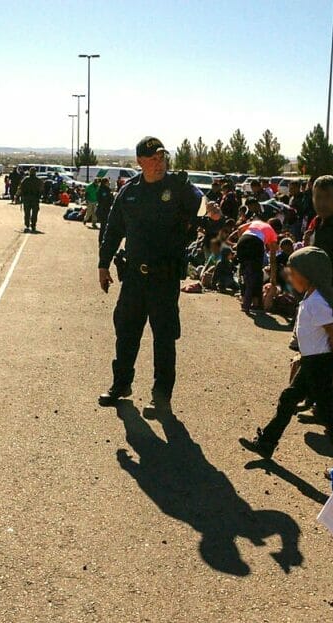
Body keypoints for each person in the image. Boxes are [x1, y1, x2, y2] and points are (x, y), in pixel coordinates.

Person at [96, 136, 202, 417]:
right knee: (126, 331)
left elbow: (202, 204)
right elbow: (113, 230)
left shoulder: (178, 189)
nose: (159, 163)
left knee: (164, 338)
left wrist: (212, 212)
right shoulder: (129, 193)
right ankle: (121, 385)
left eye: (162, 158)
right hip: (133, 278)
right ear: (140, 162)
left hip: (164, 278)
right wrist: (103, 264)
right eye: (153, 158)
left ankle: (161, 396)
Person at [246, 247, 333, 459]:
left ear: (308, 275)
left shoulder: (318, 302)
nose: (291, 278)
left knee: (329, 413)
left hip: (320, 364)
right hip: (311, 362)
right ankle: (267, 443)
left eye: (294, 274)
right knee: (289, 399)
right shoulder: (311, 297)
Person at [16, 168, 43, 233]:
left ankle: (27, 225)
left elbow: (20, 188)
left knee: (27, 213)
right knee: (34, 213)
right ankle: (33, 225)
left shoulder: (26, 180)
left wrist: (17, 196)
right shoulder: (38, 180)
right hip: (35, 199)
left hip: (27, 199)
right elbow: (41, 190)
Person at [95, 177, 114, 244]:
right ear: (105, 183)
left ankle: (103, 241)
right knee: (103, 227)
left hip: (103, 210)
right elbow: (106, 200)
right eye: (108, 182)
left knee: (104, 227)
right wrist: (111, 196)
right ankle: (102, 242)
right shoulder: (104, 190)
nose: (109, 183)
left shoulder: (103, 189)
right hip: (103, 210)